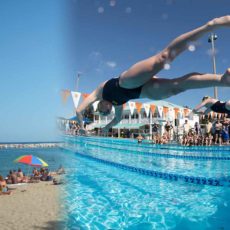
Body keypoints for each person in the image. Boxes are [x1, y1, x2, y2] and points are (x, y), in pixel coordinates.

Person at [76, 16, 230, 134]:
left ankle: (211, 26)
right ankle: (222, 80)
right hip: (143, 91)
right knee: (177, 87)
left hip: (128, 81)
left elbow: (78, 110)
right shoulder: (116, 106)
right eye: (106, 113)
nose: (106, 111)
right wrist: (105, 127)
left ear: (99, 104)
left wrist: (82, 125)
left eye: (103, 111)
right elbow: (117, 120)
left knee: (163, 58)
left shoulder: (99, 92)